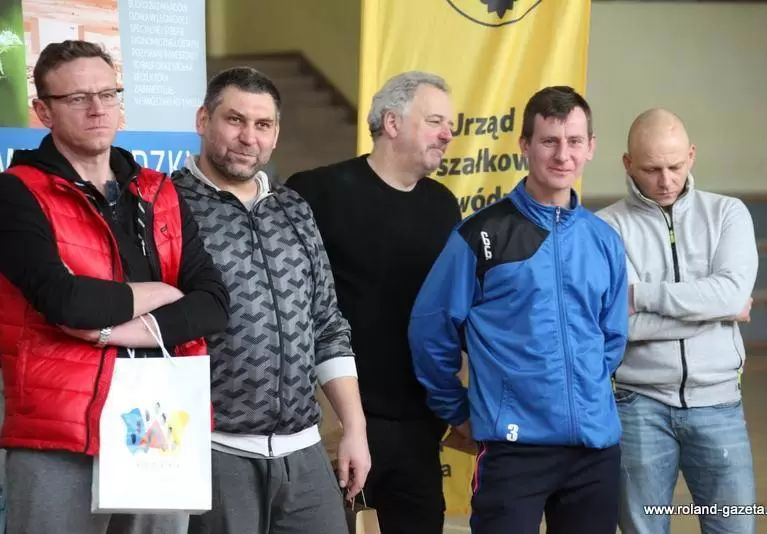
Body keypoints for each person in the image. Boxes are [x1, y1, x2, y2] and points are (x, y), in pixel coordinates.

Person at [0, 40, 230, 534]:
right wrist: (161, 292)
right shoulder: (16, 192)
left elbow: (213, 304)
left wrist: (109, 331)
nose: (97, 108)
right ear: (43, 111)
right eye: (77, 97)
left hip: (159, 420)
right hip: (60, 429)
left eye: (108, 93)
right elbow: (66, 301)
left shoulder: (158, 190)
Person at [408, 85, 629, 534]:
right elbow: (429, 331)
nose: (562, 155)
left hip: (594, 452)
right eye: (549, 141)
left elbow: (611, 338)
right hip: (513, 452)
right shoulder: (481, 235)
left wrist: (583, 393)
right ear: (525, 145)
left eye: (574, 141)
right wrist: (459, 412)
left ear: (590, 147)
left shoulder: (604, 240)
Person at [172, 66, 370, 534]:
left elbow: (327, 324)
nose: (248, 137)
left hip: (303, 452)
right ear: (203, 120)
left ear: (276, 134)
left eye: (262, 125)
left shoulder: (293, 208)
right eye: (234, 120)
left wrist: (355, 429)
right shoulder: (167, 204)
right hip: (213, 449)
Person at [286, 70, 462, 534]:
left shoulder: (444, 205)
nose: (448, 134)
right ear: (392, 122)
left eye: (451, 125)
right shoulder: (314, 192)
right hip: (334, 418)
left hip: (418, 424)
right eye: (436, 121)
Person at [596, 108, 758, 534]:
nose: (666, 181)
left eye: (675, 166)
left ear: (691, 155)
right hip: (637, 406)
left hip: (719, 404)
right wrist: (719, 313)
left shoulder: (729, 214)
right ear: (628, 163)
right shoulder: (604, 228)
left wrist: (641, 295)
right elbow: (622, 327)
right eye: (651, 169)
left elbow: (731, 295)